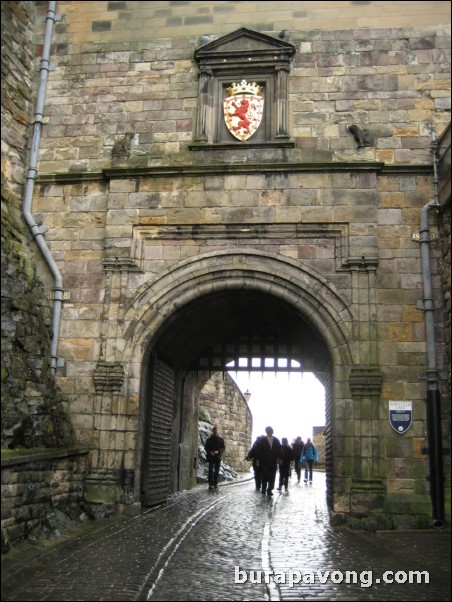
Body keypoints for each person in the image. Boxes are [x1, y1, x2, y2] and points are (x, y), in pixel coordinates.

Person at [256, 426, 282, 496]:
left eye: (272, 430)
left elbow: (279, 450)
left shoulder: (276, 440)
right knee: (264, 476)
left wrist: (280, 458)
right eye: (269, 430)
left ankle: (269, 489)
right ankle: (264, 489)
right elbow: (259, 450)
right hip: (264, 462)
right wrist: (258, 459)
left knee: (272, 477)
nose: (271, 431)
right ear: (267, 431)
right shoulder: (262, 440)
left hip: (273, 462)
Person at [204, 426, 225, 490]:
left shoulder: (221, 440)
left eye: (217, 431)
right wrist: (210, 452)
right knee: (210, 471)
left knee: (216, 471)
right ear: (213, 431)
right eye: (215, 431)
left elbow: (223, 448)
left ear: (218, 431)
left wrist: (218, 451)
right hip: (211, 457)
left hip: (218, 457)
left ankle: (215, 483)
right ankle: (211, 484)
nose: (216, 432)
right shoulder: (209, 439)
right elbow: (206, 447)